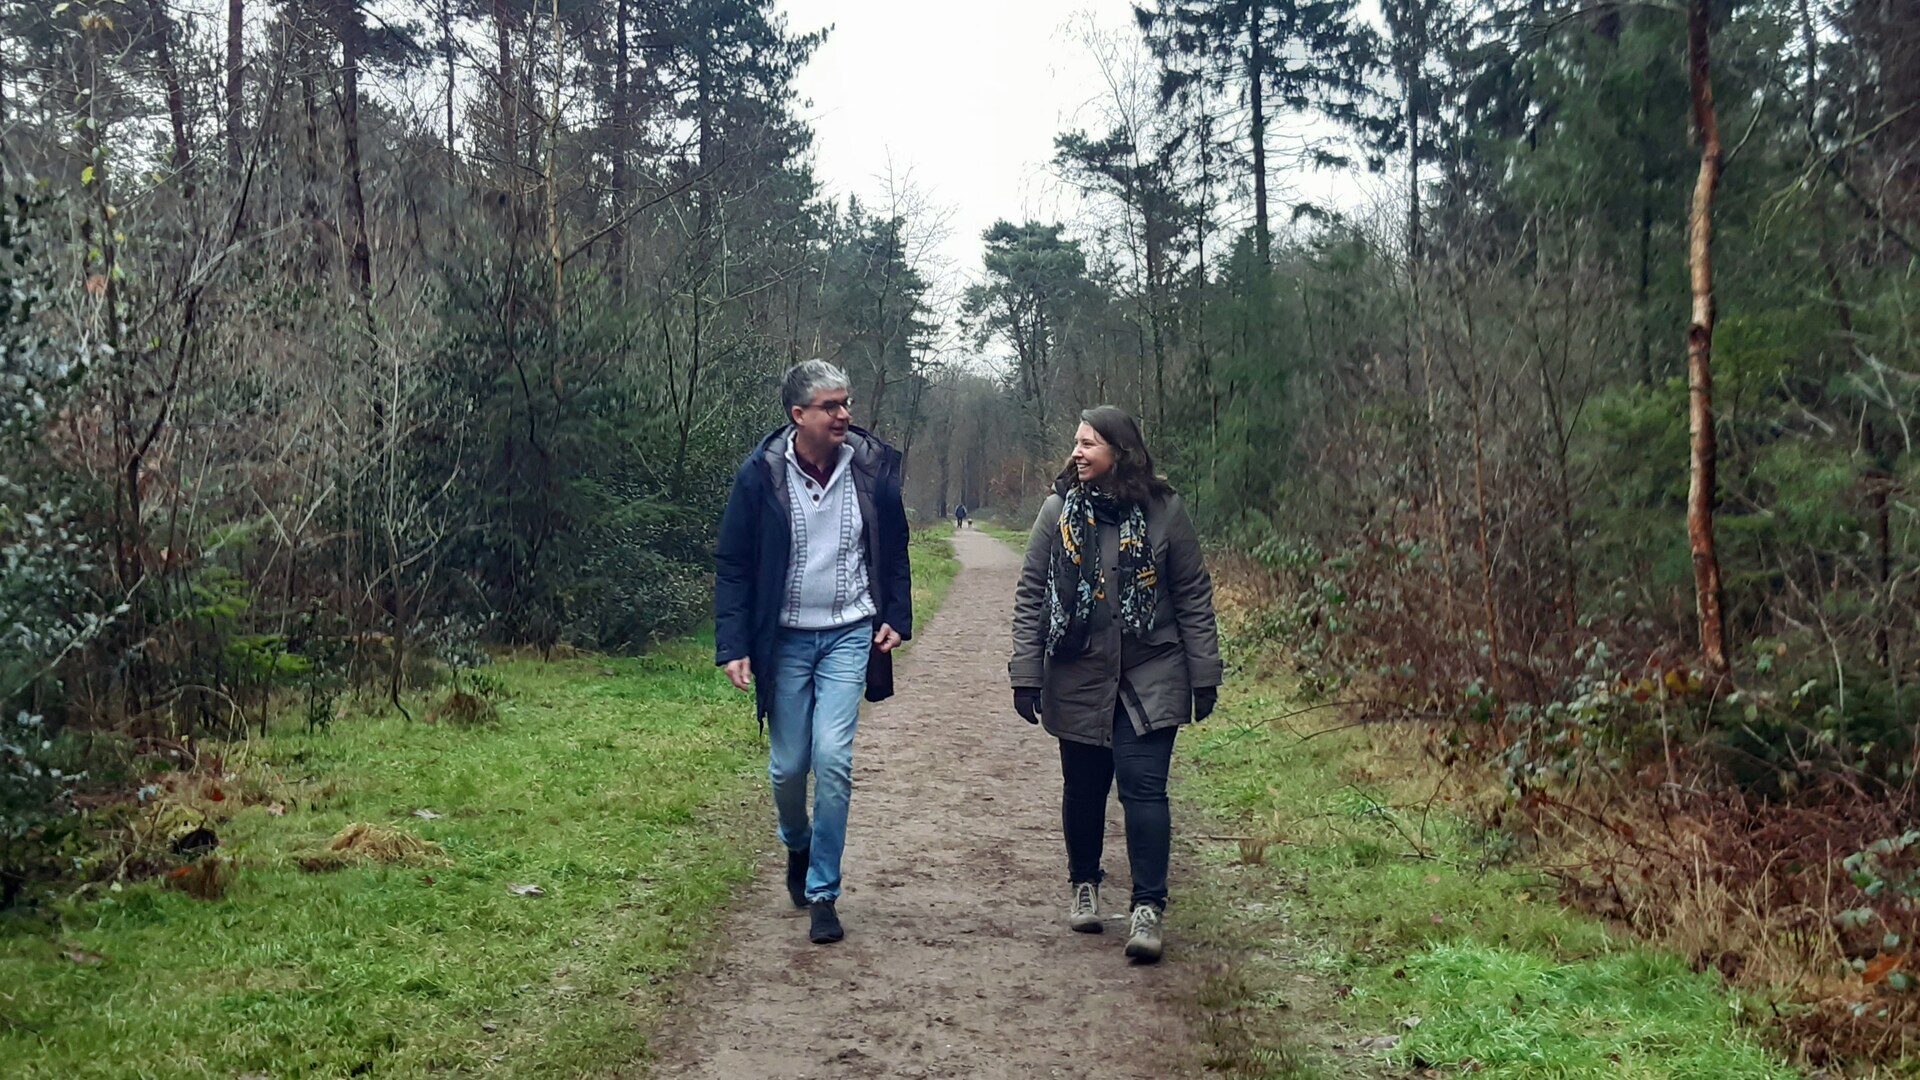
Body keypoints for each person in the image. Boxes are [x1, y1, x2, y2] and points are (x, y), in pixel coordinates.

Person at [1008, 406, 1221, 963]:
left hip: (1152, 670)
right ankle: (1085, 883)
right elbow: (1032, 594)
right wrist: (1026, 674)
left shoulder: (1165, 512)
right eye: (1076, 443)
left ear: (1120, 453)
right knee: (1083, 789)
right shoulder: (1057, 512)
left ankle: (1148, 908)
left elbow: (1194, 595)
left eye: (1089, 444)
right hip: (1077, 670)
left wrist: (1204, 674)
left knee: (1143, 788)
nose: (1077, 452)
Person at [714, 359, 913, 946]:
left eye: (846, 404)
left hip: (850, 633)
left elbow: (894, 551)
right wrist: (734, 644)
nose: (844, 415)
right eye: (831, 406)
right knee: (787, 768)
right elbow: (733, 565)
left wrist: (895, 618)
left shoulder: (872, 472)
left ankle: (825, 890)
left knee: (833, 761)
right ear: (799, 415)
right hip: (785, 640)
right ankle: (797, 846)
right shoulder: (760, 476)